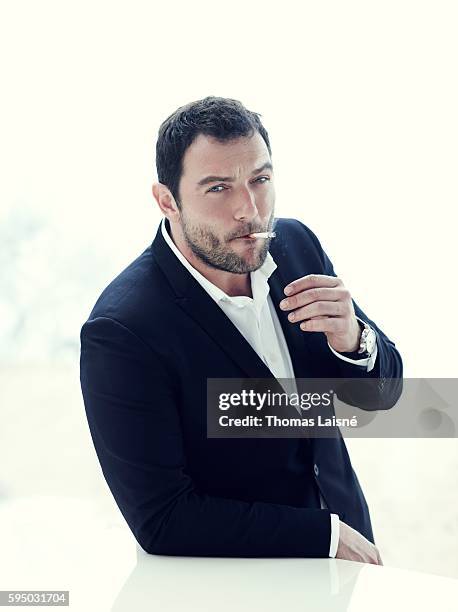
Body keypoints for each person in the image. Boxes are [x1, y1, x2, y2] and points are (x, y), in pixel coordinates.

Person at [80, 96, 402, 565]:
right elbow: (162, 518)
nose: (248, 210)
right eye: (218, 188)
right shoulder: (123, 331)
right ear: (166, 200)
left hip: (354, 561)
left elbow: (383, 397)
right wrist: (324, 536)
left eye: (260, 180)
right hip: (241, 583)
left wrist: (353, 339)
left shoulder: (296, 245)